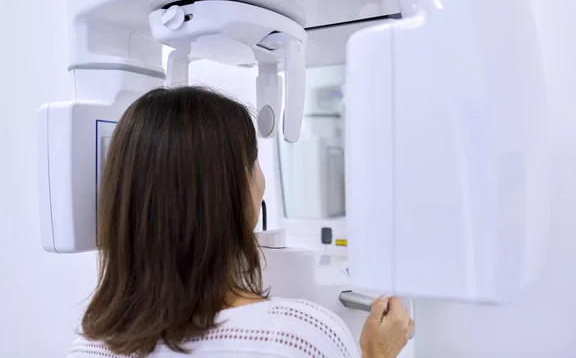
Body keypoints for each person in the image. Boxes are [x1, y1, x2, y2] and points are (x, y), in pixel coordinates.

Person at [68, 86, 413, 358]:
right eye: (255, 163)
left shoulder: (90, 345)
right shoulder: (299, 336)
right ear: (234, 191)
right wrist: (375, 353)